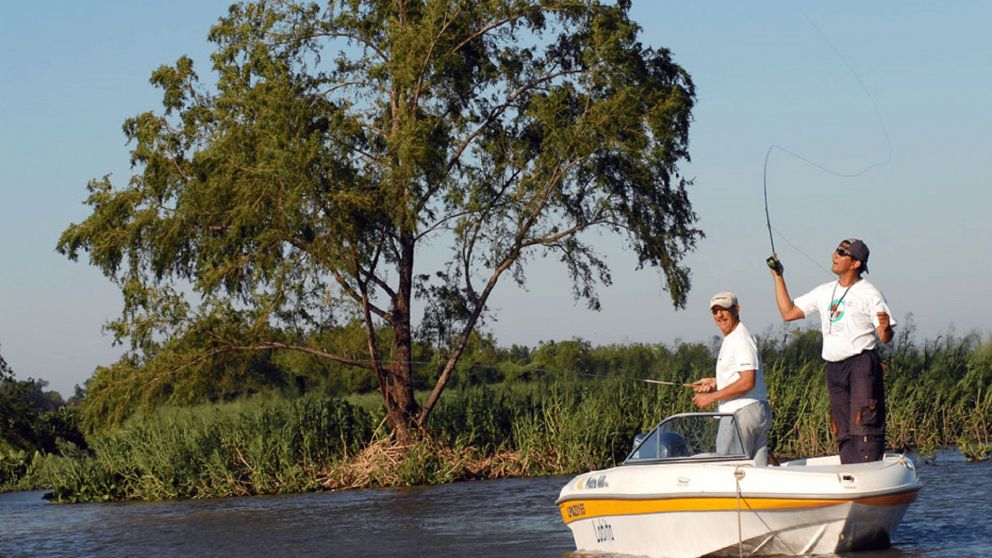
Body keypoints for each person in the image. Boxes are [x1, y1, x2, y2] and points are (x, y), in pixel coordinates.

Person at [767, 239, 895, 464]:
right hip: (834, 368)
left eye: (842, 252)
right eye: (836, 250)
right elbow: (788, 313)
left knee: (864, 423)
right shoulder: (825, 291)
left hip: (862, 365)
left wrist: (884, 329)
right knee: (842, 428)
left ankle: (869, 470)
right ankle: (849, 471)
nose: (834, 255)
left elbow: (884, 338)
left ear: (855, 263)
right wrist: (778, 276)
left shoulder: (870, 293)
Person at [691, 291, 772, 465]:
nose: (719, 315)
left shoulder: (741, 339)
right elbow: (741, 376)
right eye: (715, 311)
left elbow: (747, 381)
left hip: (740, 413)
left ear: (737, 309)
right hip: (753, 410)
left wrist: (710, 398)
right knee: (757, 471)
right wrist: (714, 383)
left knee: (728, 469)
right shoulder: (733, 338)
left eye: (724, 310)